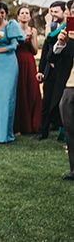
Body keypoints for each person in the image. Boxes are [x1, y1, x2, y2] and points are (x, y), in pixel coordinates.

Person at [0, 1, 24, 144]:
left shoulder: (11, 25)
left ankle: (7, 133)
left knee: (7, 98)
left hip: (9, 63)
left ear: (6, 13)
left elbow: (14, 46)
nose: (0, 15)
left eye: (3, 13)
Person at [37, 1, 67, 140]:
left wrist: (48, 25)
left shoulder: (66, 28)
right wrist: (41, 70)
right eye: (51, 12)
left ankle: (62, 131)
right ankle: (43, 132)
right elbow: (46, 51)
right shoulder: (53, 27)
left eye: (56, 12)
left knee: (59, 102)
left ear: (64, 12)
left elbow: (51, 39)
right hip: (50, 69)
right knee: (46, 101)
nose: (53, 15)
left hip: (64, 71)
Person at [13, 5, 42, 135]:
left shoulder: (33, 31)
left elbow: (35, 51)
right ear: (18, 16)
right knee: (19, 90)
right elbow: (11, 47)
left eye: (27, 13)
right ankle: (18, 125)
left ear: (30, 17)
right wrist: (21, 40)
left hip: (29, 61)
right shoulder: (14, 29)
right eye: (22, 13)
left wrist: (30, 40)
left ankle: (33, 124)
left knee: (32, 89)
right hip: (16, 60)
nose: (24, 15)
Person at [52, 27, 74, 179]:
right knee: (70, 128)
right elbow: (51, 58)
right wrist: (61, 43)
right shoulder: (69, 35)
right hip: (70, 85)